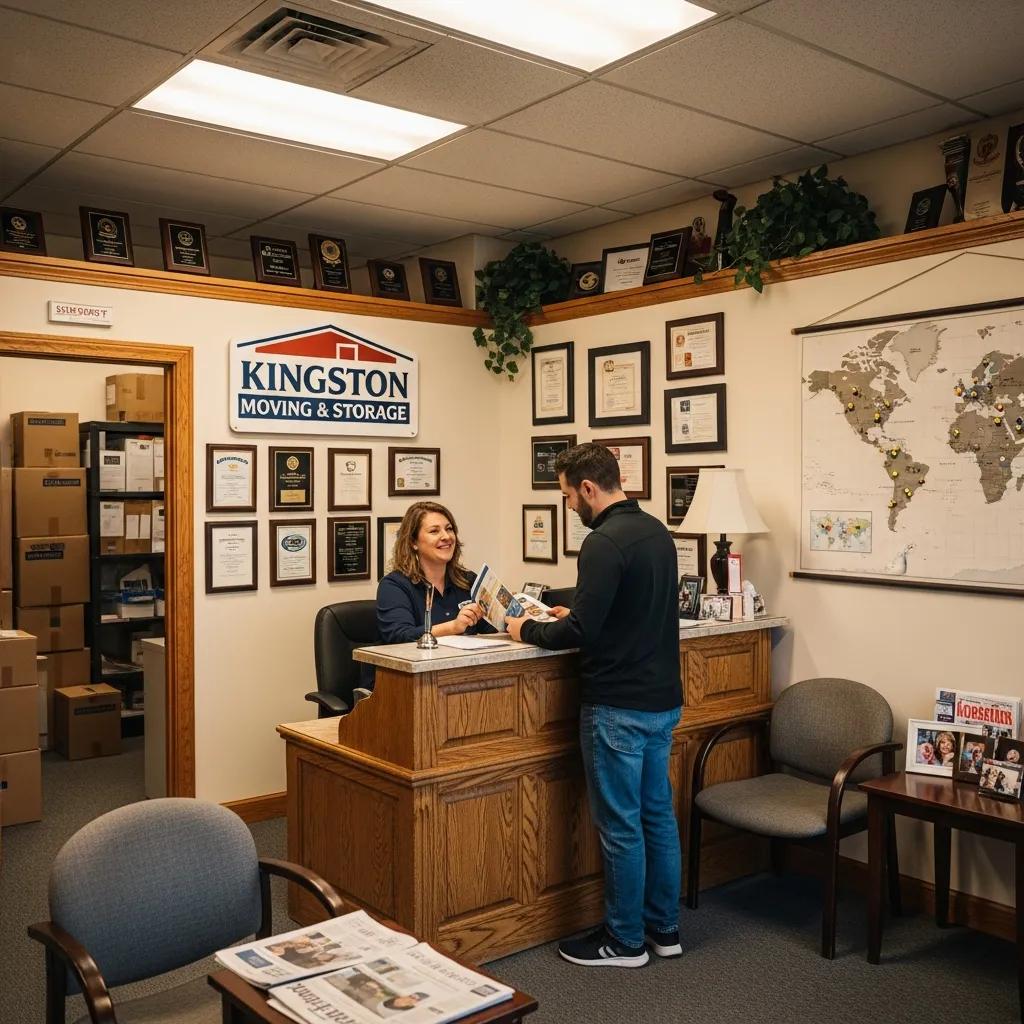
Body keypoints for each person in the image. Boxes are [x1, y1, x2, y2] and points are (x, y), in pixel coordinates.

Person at [505, 442, 682, 969]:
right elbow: (624, 611)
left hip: (617, 706)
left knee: (621, 827)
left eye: (567, 496)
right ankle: (664, 929)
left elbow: (580, 633)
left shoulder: (603, 542)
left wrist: (526, 628)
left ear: (587, 488)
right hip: (661, 702)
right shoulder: (656, 532)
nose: (568, 507)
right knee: (657, 818)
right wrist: (574, 609)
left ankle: (625, 942)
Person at [377, 501, 491, 643]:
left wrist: (512, 614)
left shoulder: (469, 581)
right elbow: (400, 636)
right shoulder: (394, 586)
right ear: (413, 542)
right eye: (434, 531)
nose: (446, 536)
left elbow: (492, 629)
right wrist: (453, 627)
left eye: (449, 529)